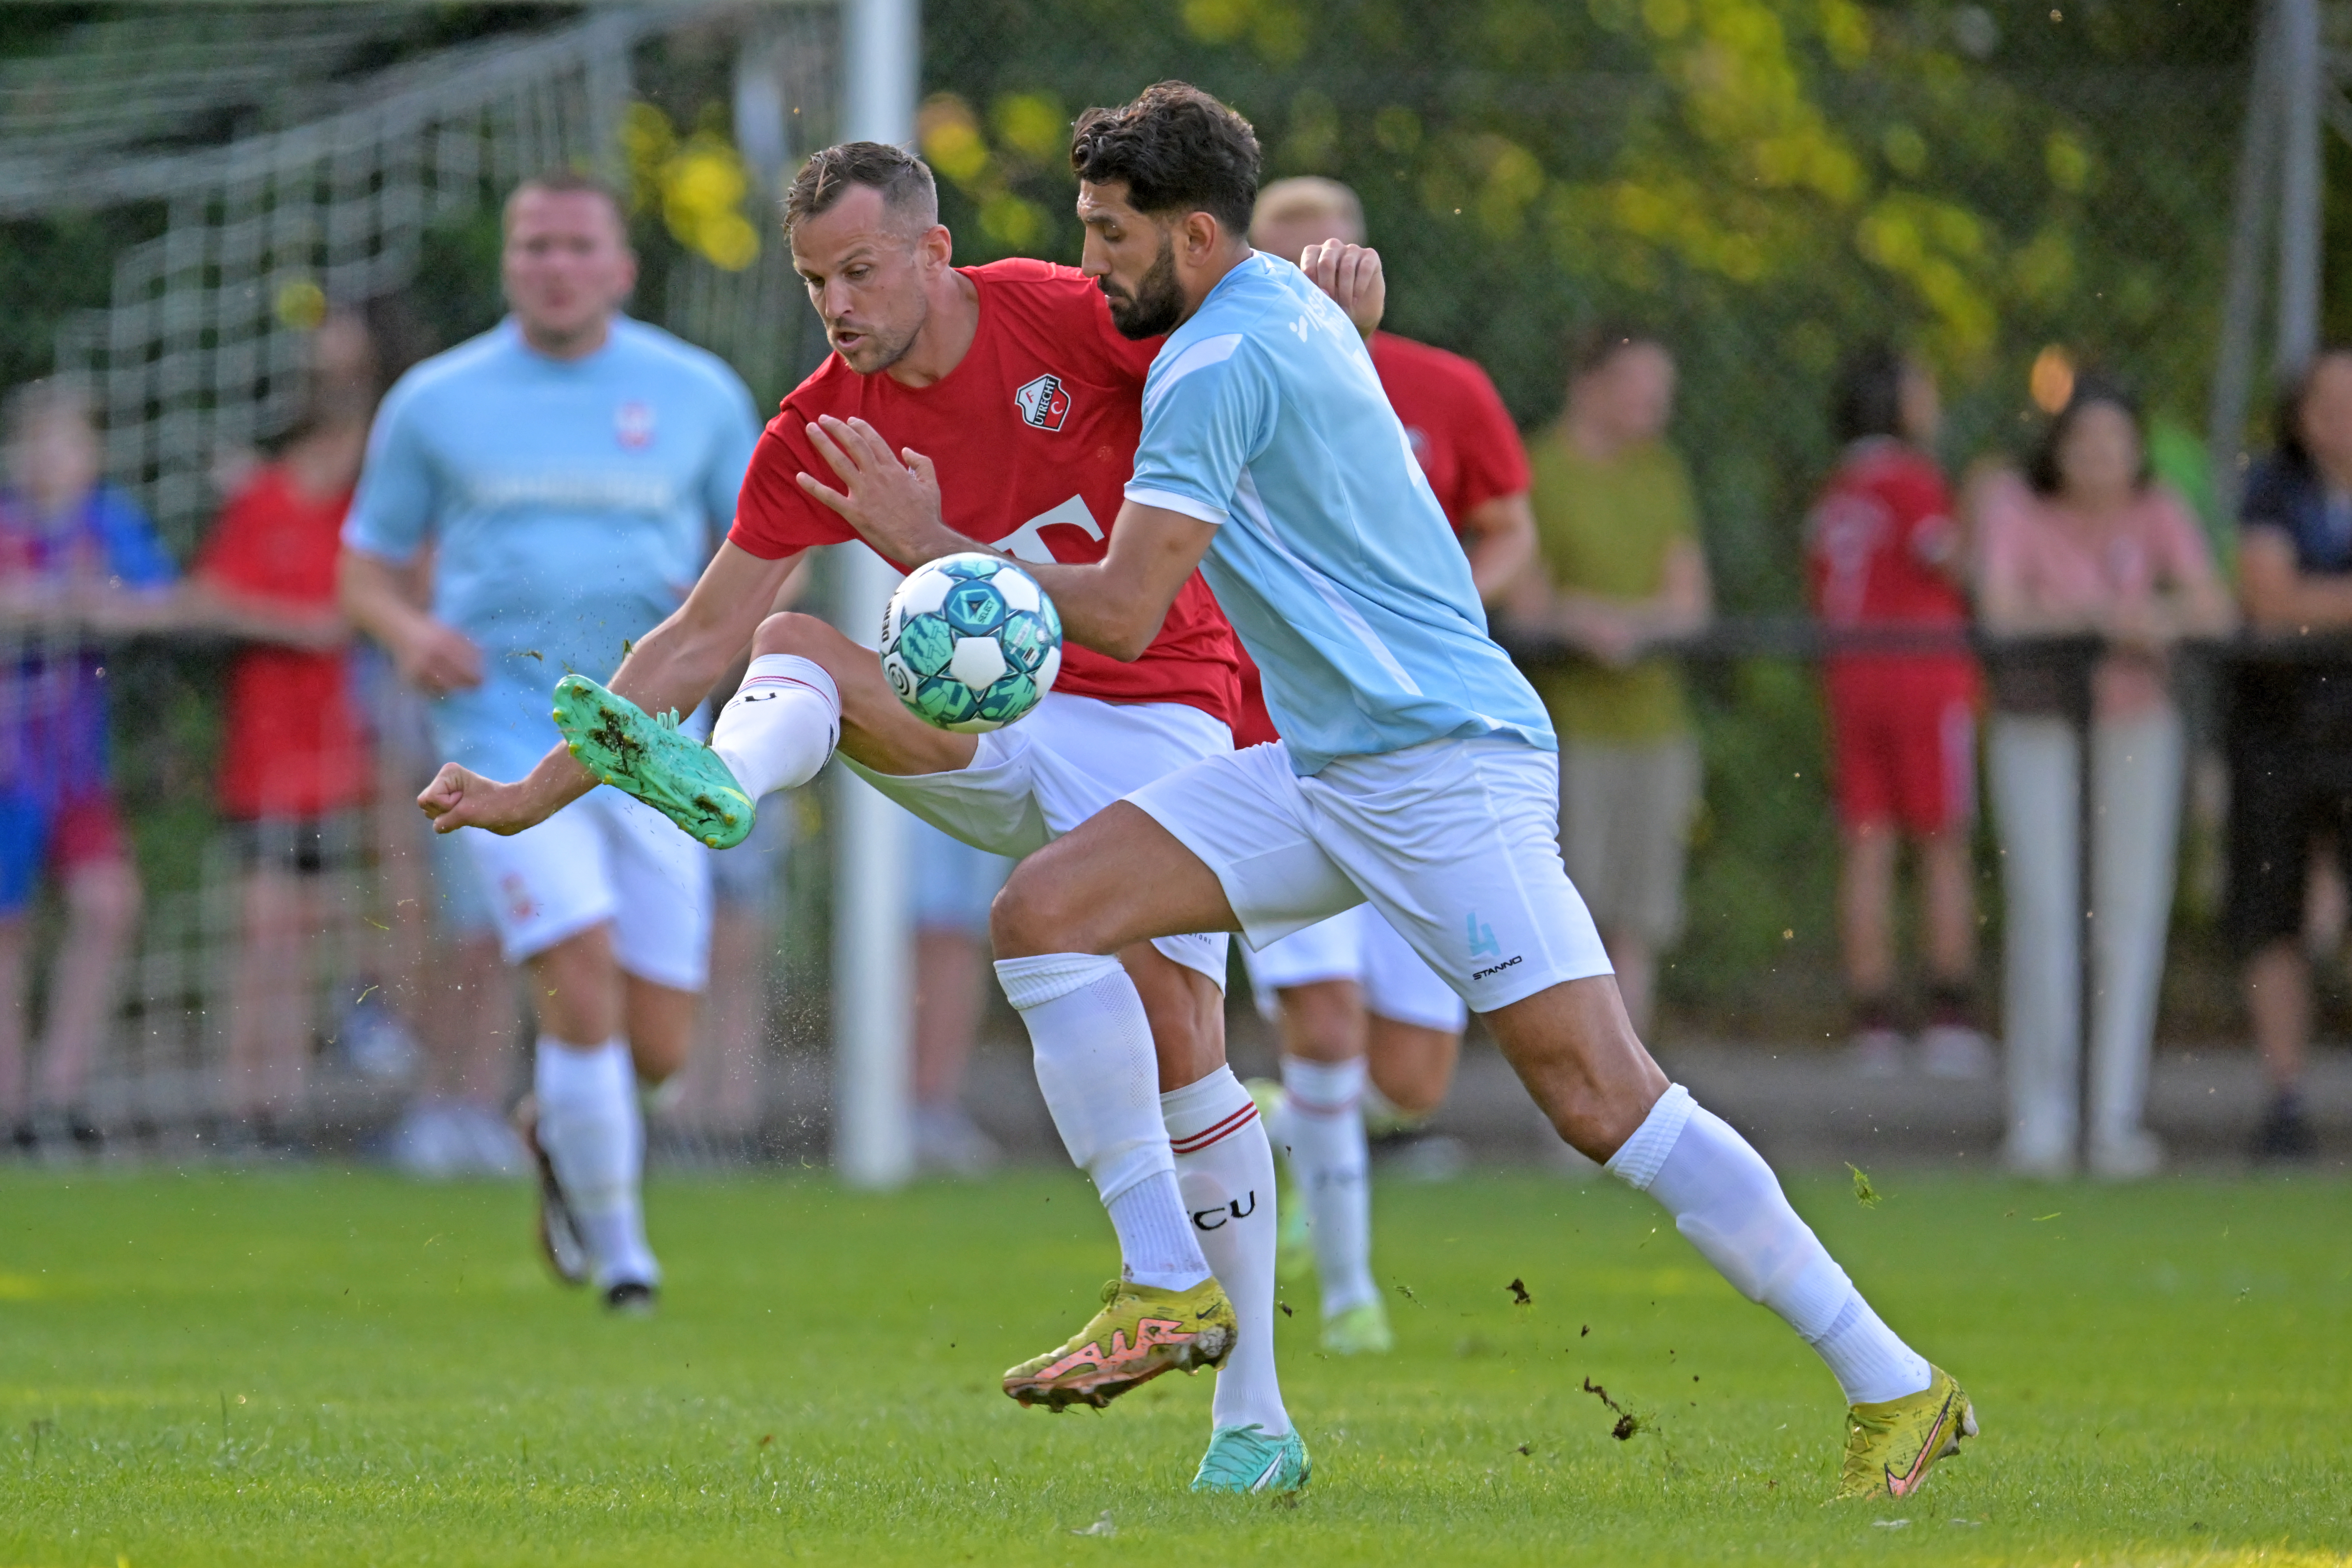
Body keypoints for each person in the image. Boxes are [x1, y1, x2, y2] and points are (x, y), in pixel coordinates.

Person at [536, 82, 1968, 1502]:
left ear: (1196, 236)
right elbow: (1280, 309)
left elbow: (1114, 608)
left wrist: (936, 540)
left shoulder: (1216, 367)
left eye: (1109, 234)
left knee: (1601, 1096)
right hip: (1329, 765)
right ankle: (1165, 1281)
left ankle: (1893, 1378)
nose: (1087, 263)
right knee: (1046, 911)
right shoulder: (1254, 306)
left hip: (1443, 764)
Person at [408, 141, 1389, 1494]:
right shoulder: (823, 421)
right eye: (817, 282)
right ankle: (731, 789)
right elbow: (702, 636)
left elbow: (1236, 341)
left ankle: (1253, 1419)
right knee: (797, 637)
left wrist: (1326, 288)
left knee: (1181, 1036)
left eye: (861, 271)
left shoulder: (1067, 312)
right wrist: (533, 792)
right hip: (988, 729)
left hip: (1163, 707)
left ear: (935, 252)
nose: (839, 307)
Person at [340, 170, 762, 1310]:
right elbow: (363, 564)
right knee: (576, 968)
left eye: (577, 245)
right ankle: (623, 1257)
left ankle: (555, 1132)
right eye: (533, 246)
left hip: (654, 740)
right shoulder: (435, 399)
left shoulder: (698, 392)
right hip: (499, 739)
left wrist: (725, 624)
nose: (554, 265)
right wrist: (408, 627)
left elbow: (770, 544)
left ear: (620, 268)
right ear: (508, 263)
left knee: (657, 1048)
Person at [1232, 175, 1538, 1354]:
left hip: (1427, 750)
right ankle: (1349, 1298)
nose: (1310, 262)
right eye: (1281, 244)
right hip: (1285, 746)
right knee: (1323, 1019)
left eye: (1329, 242)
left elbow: (1511, 523)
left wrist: (1449, 595)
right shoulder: (1217, 377)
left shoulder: (1443, 388)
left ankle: (1296, 1125)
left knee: (1407, 1077)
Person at [1976, 377, 2232, 1179]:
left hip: (2135, 729)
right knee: (2047, 910)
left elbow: (2214, 608)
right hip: (2040, 727)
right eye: (2085, 441)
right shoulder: (2017, 506)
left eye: (2116, 441)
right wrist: (2099, 622)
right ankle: (2043, 1116)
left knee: (2129, 911)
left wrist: (2157, 617)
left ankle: (2112, 1114)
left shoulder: (2158, 510)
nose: (2101, 458)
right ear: (2058, 447)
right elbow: (2001, 612)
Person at [186, 313, 381, 1151]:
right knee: (261, 930)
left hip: (343, 754)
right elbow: (205, 598)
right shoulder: (264, 497)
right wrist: (302, 623)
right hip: (265, 753)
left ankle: (287, 1107)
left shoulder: (369, 501)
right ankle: (241, 1107)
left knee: (312, 934)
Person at [1509, 324, 1712, 1038]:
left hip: (1657, 728)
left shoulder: (1663, 472)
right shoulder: (1539, 468)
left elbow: (1690, 603)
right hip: (1567, 733)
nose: (1655, 403)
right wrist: (1584, 622)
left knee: (1640, 921)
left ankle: (1632, 1105)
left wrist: (1608, 620)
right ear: (1589, 385)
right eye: (1638, 385)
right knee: (1570, 922)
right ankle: (1573, 1100)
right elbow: (1525, 599)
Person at [0, 380, 180, 1154]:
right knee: (10, 929)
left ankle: (59, 1093)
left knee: (107, 904)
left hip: (76, 763)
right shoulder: (7, 523)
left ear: (92, 454)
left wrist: (97, 601)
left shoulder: (107, 522)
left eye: (67, 443)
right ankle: (11, 1105)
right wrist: (49, 600)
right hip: (9, 762)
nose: (51, 460)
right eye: (37, 443)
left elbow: (159, 600)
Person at [1804, 347, 1989, 1078]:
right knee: (1942, 842)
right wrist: (1980, 503)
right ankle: (1949, 1013)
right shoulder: (1915, 484)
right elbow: (1955, 562)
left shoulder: (1836, 490)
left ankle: (1873, 1018)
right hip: (1922, 676)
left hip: (1852, 678)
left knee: (1869, 845)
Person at [2230, 345, 2352, 1161]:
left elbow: (2292, 599)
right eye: (2326, 403)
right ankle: (2285, 1098)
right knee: (2270, 910)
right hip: (2277, 727)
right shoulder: (2271, 488)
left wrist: (2316, 606)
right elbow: (2269, 602)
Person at [905, 813, 1011, 1175]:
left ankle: (934, 1110)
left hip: (981, 776)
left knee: (962, 934)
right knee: (910, 934)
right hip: (898, 778)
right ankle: (893, 1110)